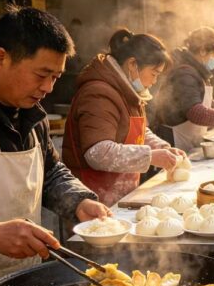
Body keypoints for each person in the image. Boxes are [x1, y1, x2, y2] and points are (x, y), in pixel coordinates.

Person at [0, 6, 110, 280]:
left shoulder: (31, 111)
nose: (48, 88)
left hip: (21, 278)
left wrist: (78, 201)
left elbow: (50, 172)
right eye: (41, 75)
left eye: (55, 77)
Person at [62, 29, 184, 207]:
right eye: (154, 73)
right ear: (132, 64)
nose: (155, 81)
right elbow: (98, 152)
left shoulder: (128, 91)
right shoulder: (98, 92)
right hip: (91, 201)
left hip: (120, 197)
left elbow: (137, 131)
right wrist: (150, 156)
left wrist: (162, 148)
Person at [153, 26, 214, 152]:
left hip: (186, 142)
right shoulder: (185, 74)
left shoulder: (195, 70)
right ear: (202, 50)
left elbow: (193, 100)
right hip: (172, 142)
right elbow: (195, 112)